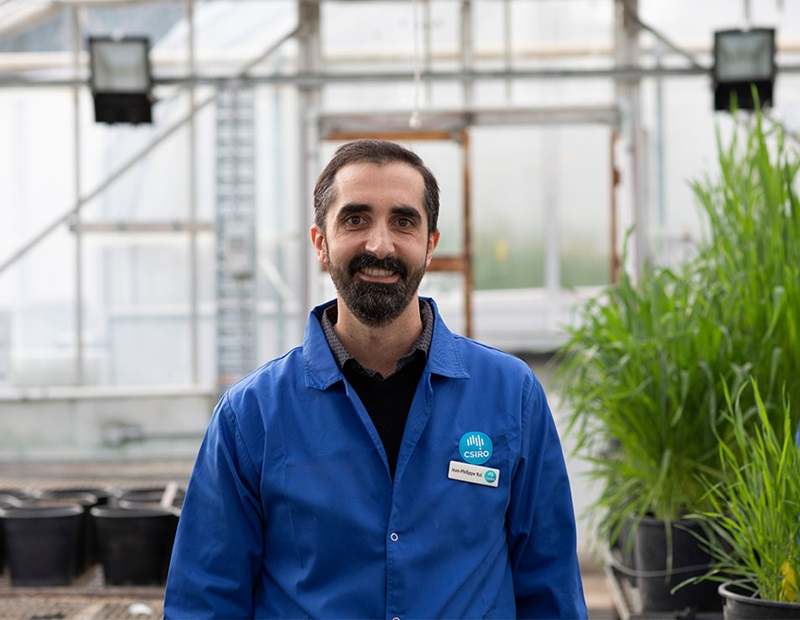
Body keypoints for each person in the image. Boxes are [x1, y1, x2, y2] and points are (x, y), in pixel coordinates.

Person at [164, 139, 587, 619]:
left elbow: (550, 586)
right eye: (355, 219)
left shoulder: (511, 395)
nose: (379, 245)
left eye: (403, 222)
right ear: (320, 243)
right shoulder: (251, 415)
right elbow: (205, 601)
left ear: (430, 243)